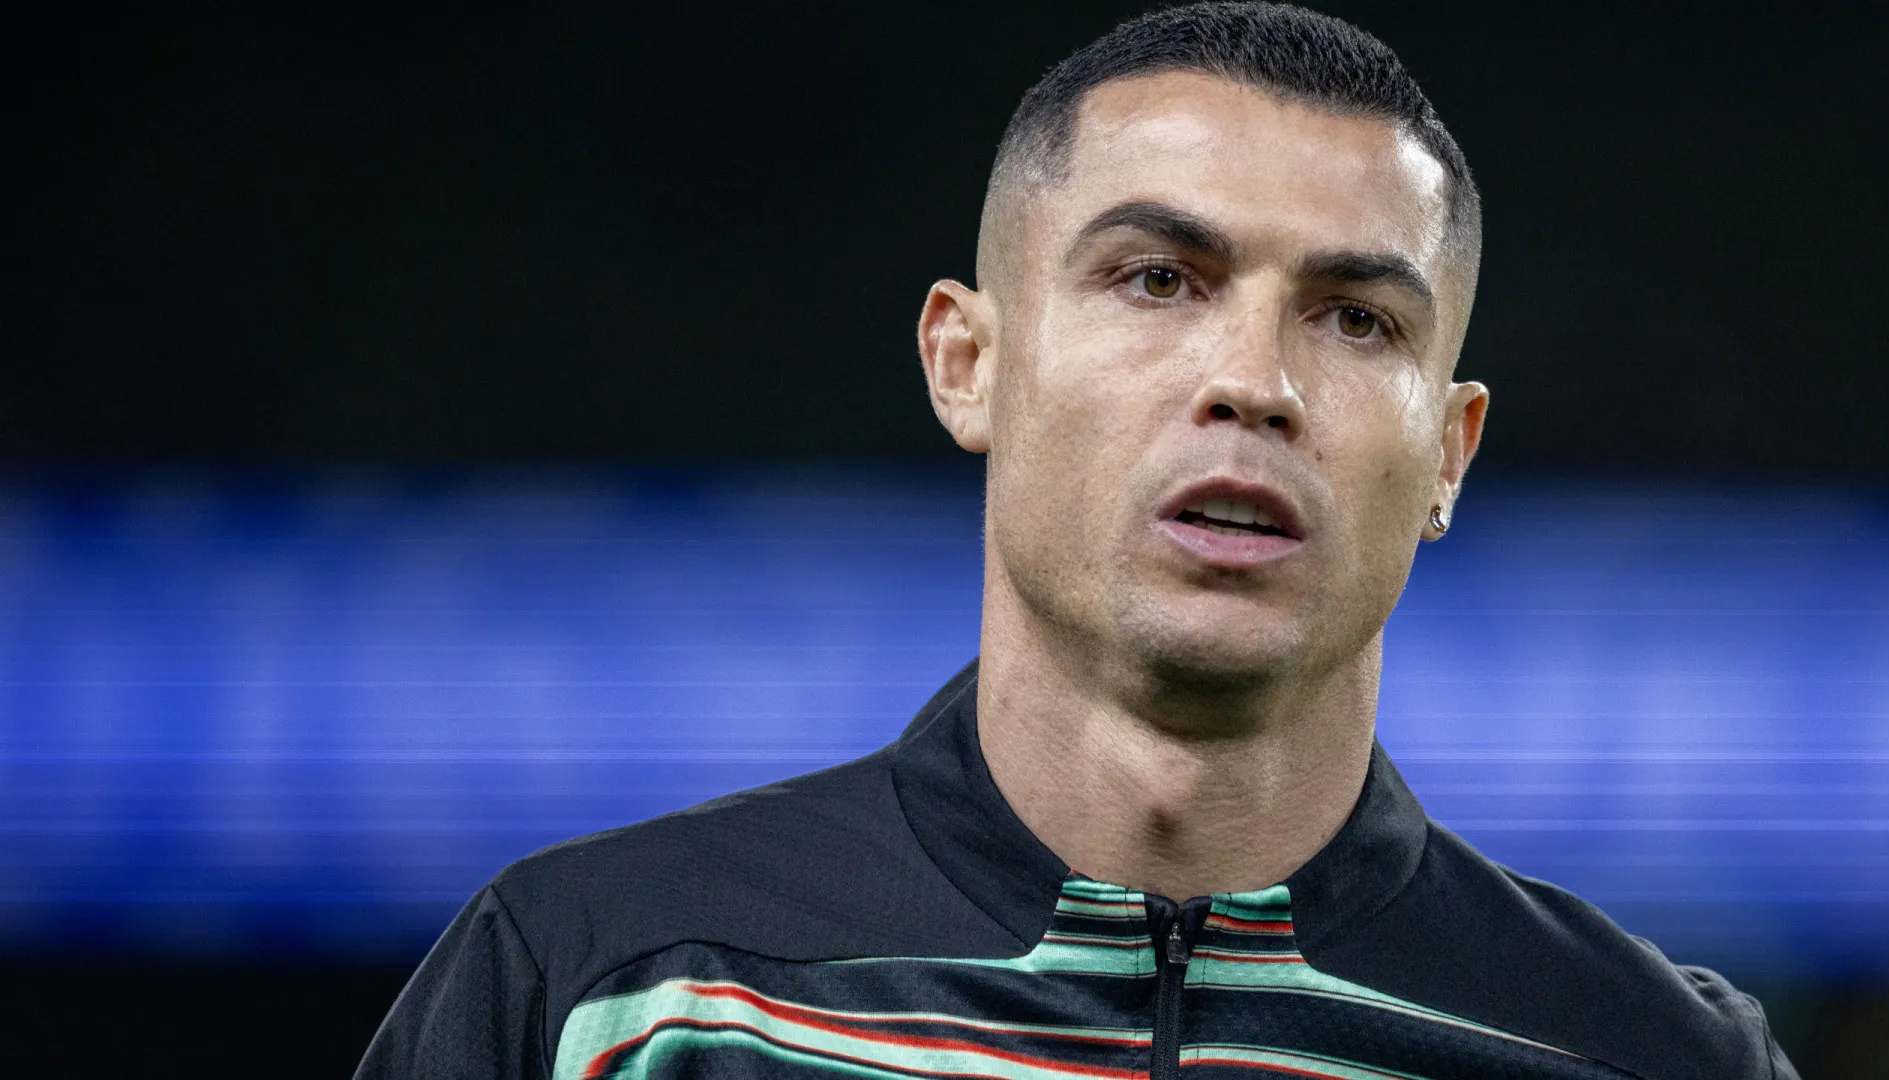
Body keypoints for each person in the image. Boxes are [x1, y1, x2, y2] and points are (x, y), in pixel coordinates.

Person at [356, 4, 1797, 1077]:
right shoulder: (602, 997)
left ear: (1449, 455)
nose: (1256, 382)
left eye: (1357, 319)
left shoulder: (1652, 1058)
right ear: (967, 363)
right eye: (1159, 278)